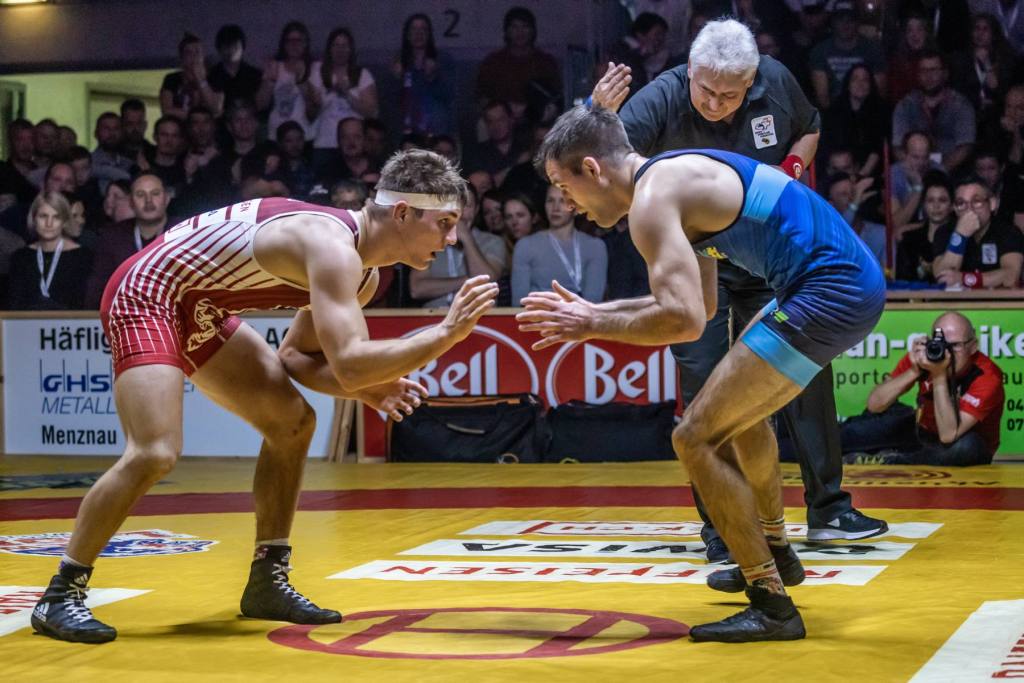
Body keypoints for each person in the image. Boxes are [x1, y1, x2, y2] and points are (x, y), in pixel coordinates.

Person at [30, 149, 499, 644]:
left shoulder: (361, 274)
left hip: (200, 305)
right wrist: (444, 334)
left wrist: (367, 388)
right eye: (444, 224)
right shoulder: (332, 247)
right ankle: (60, 593)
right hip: (148, 294)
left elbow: (295, 357)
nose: (450, 239)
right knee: (155, 450)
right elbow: (350, 362)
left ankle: (267, 579)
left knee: (293, 423)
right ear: (402, 213)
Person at [520, 105, 886, 642]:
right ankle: (776, 550)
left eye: (563, 186)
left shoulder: (652, 201)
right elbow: (704, 306)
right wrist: (595, 315)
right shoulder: (673, 180)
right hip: (832, 283)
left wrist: (592, 322)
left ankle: (771, 604)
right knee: (736, 418)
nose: (567, 204)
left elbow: (684, 320)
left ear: (592, 169)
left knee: (693, 438)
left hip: (828, 290)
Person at [591, 19, 885, 560]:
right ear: (690, 71)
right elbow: (599, 161)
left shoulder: (775, 79)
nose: (714, 103)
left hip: (767, 262)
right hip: (698, 259)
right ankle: (723, 528)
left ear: (751, 81)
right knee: (707, 386)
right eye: (705, 90)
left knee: (804, 374)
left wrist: (791, 169)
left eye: (729, 95)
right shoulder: (661, 98)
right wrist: (597, 113)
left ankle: (829, 508)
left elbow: (810, 126)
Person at [844, 312, 1004, 466]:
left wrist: (939, 375)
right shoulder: (928, 355)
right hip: (921, 431)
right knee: (849, 434)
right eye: (942, 344)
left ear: (973, 346)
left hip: (960, 441)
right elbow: (875, 405)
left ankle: (893, 460)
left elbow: (948, 435)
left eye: (955, 345)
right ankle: (894, 454)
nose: (947, 352)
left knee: (967, 447)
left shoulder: (987, 376)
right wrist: (914, 371)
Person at [410, 184, 509, 307]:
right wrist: (467, 280)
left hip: (478, 317)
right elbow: (416, 289)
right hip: (435, 316)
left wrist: (466, 238)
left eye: (467, 205)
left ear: (476, 209)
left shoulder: (493, 241)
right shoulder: (428, 242)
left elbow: (486, 283)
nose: (460, 213)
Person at [85, 173, 170, 308]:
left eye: (155, 193)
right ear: (131, 202)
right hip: (124, 314)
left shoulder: (187, 233)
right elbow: (97, 291)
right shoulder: (112, 236)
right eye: (140, 195)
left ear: (167, 198)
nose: (148, 200)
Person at [511, 184, 607, 303]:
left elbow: (593, 300)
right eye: (550, 201)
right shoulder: (526, 246)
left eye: (562, 201)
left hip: (579, 312)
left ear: (576, 207)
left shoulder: (594, 247)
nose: (555, 208)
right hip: (538, 312)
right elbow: (519, 301)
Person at [932, 176, 1024, 289]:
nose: (969, 209)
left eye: (977, 201)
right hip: (958, 300)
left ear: (992, 203)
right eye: (961, 203)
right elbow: (942, 277)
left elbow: (1011, 276)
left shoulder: (1008, 231)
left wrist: (965, 279)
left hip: (996, 299)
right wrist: (960, 236)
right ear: (955, 208)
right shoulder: (945, 232)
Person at [891, 51, 976, 173]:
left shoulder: (961, 105)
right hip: (912, 173)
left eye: (933, 70)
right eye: (923, 71)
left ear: (945, 74)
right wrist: (915, 172)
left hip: (953, 172)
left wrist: (939, 172)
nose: (928, 76)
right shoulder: (905, 105)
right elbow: (897, 147)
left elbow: (965, 147)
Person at [310, 28, 379, 174]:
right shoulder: (318, 72)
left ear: (351, 49)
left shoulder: (362, 75)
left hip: (354, 146)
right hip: (325, 143)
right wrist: (328, 94)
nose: (340, 50)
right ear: (329, 49)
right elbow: (310, 112)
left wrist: (347, 94)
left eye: (344, 46)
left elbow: (371, 112)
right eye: (336, 45)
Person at [7, 192, 92, 310]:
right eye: (43, 216)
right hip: (27, 321)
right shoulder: (20, 257)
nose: (49, 223)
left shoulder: (84, 257)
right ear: (34, 219)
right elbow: (13, 305)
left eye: (56, 217)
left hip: (69, 321)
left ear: (64, 221)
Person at [475, 7, 561, 118]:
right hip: (501, 119)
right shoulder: (492, 62)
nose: (520, 32)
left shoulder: (545, 62)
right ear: (506, 31)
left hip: (536, 119)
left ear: (533, 31)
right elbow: (481, 98)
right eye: (514, 27)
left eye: (525, 26)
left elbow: (556, 99)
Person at [809, 0, 886, 110]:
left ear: (857, 23)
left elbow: (880, 93)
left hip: (867, 112)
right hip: (833, 113)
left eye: (850, 20)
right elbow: (823, 98)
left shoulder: (873, 50)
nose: (845, 24)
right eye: (840, 19)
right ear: (832, 22)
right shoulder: (820, 51)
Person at [821, 63, 890, 178]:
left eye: (865, 80)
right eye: (855, 79)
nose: (860, 84)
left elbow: (877, 148)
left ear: (871, 85)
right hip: (838, 171)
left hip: (870, 174)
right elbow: (829, 147)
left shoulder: (881, 112)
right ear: (848, 84)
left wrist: (861, 176)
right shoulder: (834, 112)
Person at [393, 14, 455, 137]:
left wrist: (432, 77)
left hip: (437, 127)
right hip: (408, 128)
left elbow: (450, 96)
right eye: (414, 29)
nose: (419, 33)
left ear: (429, 34)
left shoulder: (443, 59)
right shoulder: (399, 61)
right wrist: (397, 79)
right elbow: (393, 103)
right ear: (407, 35)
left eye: (423, 29)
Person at [257, 21, 318, 140]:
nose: (294, 45)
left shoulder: (314, 68)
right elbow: (260, 105)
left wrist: (302, 81)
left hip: (303, 136)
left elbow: (313, 113)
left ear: (305, 43)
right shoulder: (275, 67)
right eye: (289, 41)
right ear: (283, 44)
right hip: (276, 135)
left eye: (298, 40)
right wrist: (270, 80)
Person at [894, 177, 954, 282]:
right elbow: (903, 280)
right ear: (924, 205)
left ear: (952, 206)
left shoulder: (959, 239)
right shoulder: (909, 240)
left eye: (942, 200)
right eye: (930, 200)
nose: (936, 206)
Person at [160, 33, 224, 120]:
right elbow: (166, 110)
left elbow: (216, 108)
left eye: (197, 52)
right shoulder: (172, 79)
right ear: (182, 58)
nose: (194, 56)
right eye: (189, 53)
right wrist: (197, 116)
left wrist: (201, 80)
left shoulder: (215, 78)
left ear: (203, 56)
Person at [208, 25, 263, 112]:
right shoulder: (212, 76)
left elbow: (259, 105)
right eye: (226, 46)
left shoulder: (255, 75)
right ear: (219, 49)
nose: (231, 50)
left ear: (242, 48)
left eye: (235, 46)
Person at [90, 112, 133, 193]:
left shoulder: (129, 164)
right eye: (106, 129)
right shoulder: (89, 163)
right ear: (96, 133)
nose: (112, 133)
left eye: (116, 128)